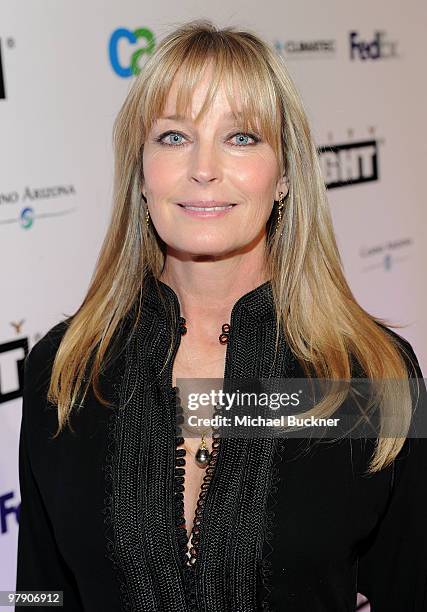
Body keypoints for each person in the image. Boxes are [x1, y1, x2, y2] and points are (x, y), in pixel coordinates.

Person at [15, 18, 427, 612]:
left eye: (241, 137)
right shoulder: (64, 370)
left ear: (285, 176)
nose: (203, 168)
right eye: (175, 137)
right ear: (141, 172)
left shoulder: (372, 375)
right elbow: (39, 592)